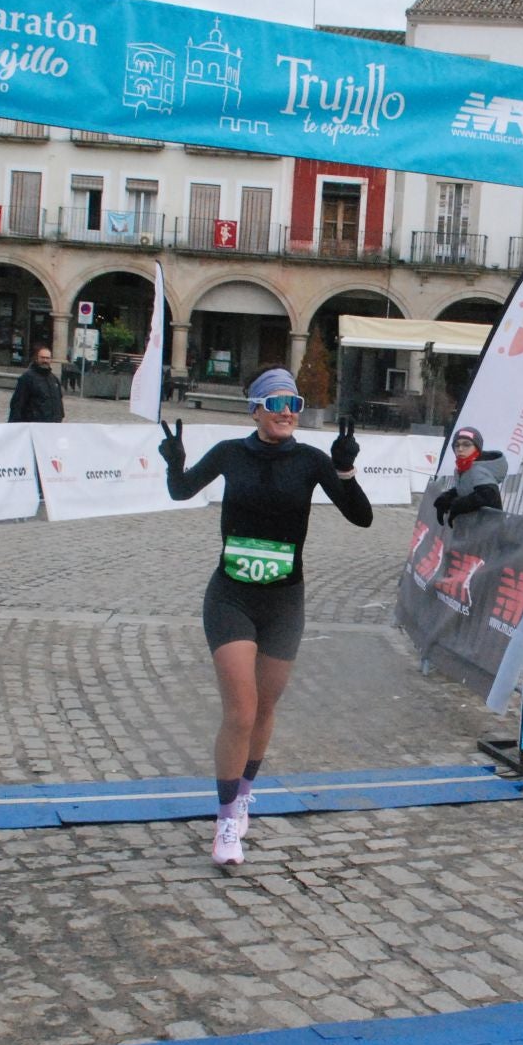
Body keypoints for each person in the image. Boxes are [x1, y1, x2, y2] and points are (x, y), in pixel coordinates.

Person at [159, 367, 369, 866]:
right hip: (231, 596)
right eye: (276, 403)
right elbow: (181, 491)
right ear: (255, 408)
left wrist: (344, 472)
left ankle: (245, 790)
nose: (287, 413)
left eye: (294, 403)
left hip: (283, 601)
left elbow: (361, 517)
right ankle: (227, 820)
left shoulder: (312, 461)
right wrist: (175, 463)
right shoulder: (232, 453)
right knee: (241, 710)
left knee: (266, 708)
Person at [432, 426, 507, 526]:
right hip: (473, 528)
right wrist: (447, 497)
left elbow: (489, 495)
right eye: (456, 445)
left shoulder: (478, 469)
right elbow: (468, 488)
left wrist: (459, 505)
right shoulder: (463, 467)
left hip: (489, 530)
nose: (460, 449)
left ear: (477, 447)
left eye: (466, 445)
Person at [8, 346, 65, 423]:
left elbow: (59, 403)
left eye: (47, 358)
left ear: (50, 360)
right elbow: (17, 404)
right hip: (34, 425)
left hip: (52, 426)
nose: (45, 360)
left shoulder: (54, 379)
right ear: (37, 358)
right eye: (42, 357)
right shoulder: (27, 378)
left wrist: (60, 417)